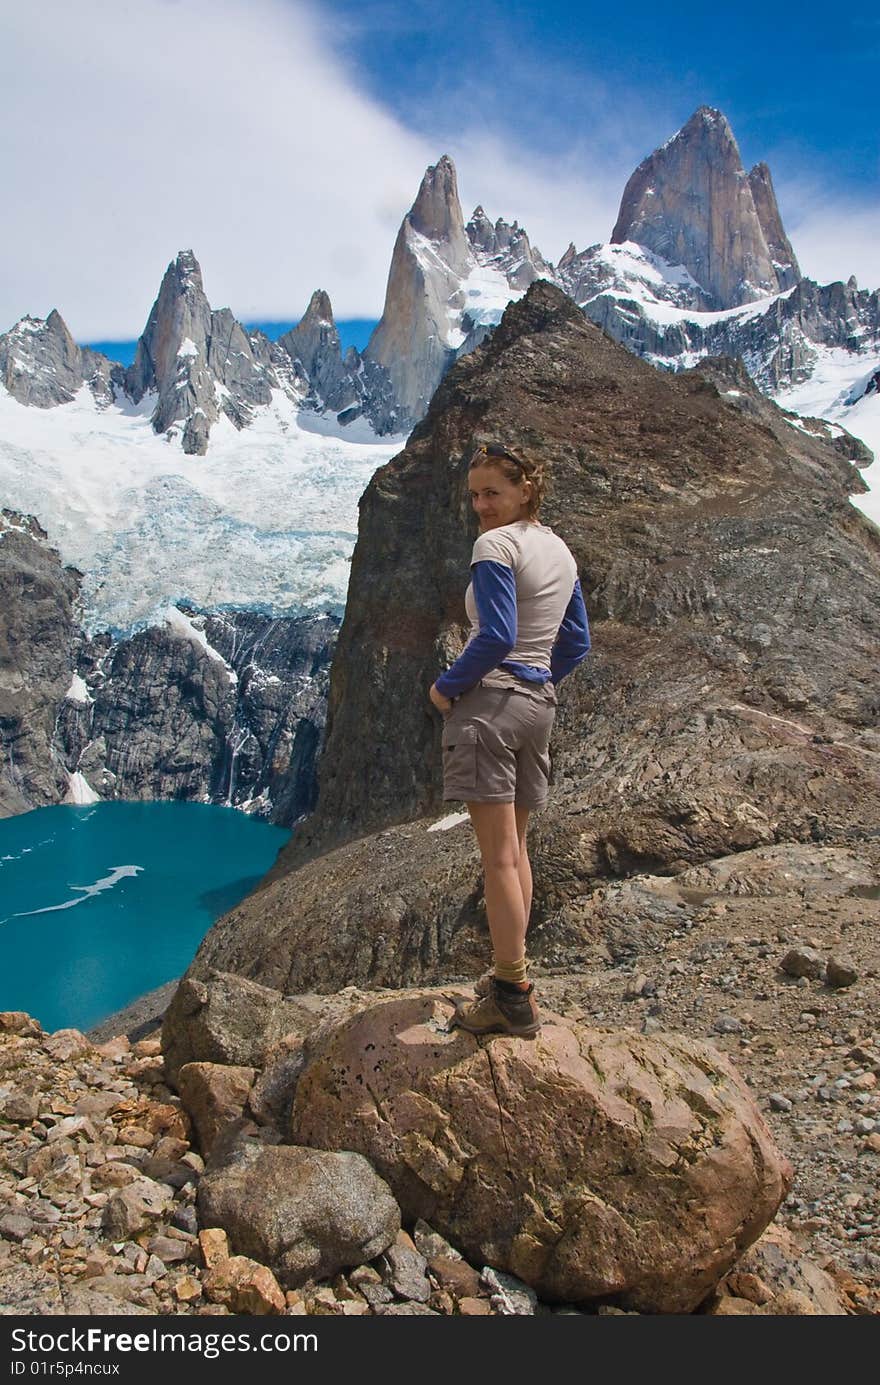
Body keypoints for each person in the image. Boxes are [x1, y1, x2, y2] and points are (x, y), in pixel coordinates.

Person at [428, 442, 591, 1038]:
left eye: (492, 491)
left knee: (497, 856)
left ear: (526, 490)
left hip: (490, 707)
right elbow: (575, 643)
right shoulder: (559, 550)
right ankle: (512, 977)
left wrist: (446, 688)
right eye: (474, 494)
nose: (480, 505)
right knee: (517, 851)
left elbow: (495, 634)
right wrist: (536, 680)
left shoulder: (495, 546)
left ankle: (511, 992)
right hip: (536, 707)